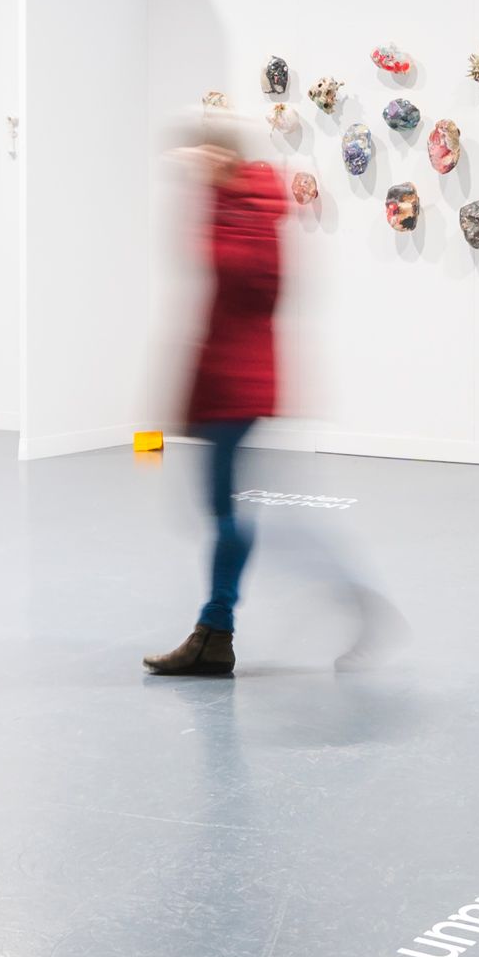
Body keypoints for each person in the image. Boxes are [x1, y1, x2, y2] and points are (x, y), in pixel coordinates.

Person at [144, 115, 287, 677]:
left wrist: (205, 194)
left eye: (204, 154)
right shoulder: (242, 205)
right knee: (222, 509)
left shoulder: (247, 211)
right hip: (229, 382)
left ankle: (216, 630)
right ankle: (215, 628)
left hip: (237, 384)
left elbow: (230, 270)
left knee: (226, 512)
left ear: (224, 157)